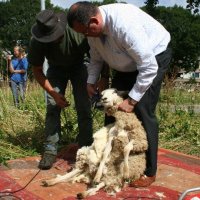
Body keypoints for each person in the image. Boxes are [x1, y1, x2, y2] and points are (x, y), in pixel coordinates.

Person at [67, 1, 172, 187]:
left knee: (143, 111)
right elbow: (96, 58)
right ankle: (110, 159)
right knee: (111, 109)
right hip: (126, 64)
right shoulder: (92, 30)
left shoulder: (125, 26)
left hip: (153, 57)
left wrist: (132, 100)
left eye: (85, 31)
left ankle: (149, 171)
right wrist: (91, 80)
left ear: (94, 20)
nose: (85, 36)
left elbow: (148, 67)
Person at [28, 10, 93, 170]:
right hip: (55, 70)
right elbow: (37, 70)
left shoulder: (77, 31)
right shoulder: (37, 41)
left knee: (84, 107)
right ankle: (50, 151)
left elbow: (97, 56)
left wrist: (96, 80)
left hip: (79, 67)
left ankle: (86, 148)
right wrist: (53, 93)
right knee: (52, 107)